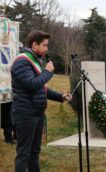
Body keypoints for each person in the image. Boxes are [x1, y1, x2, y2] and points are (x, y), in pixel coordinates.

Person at [10, 30, 71, 172]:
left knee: (34, 153)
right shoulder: (22, 61)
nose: (46, 49)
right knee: (24, 154)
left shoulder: (34, 60)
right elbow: (32, 84)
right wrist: (47, 72)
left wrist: (61, 96)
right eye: (44, 45)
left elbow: (40, 89)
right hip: (25, 114)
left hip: (36, 113)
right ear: (34, 44)